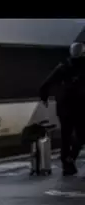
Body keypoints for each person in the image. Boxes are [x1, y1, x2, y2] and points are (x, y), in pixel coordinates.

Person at [39, 42, 85, 176]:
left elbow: (46, 84)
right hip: (81, 107)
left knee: (65, 135)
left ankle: (66, 164)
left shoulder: (62, 67)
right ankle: (71, 157)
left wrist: (45, 98)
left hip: (64, 107)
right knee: (82, 134)